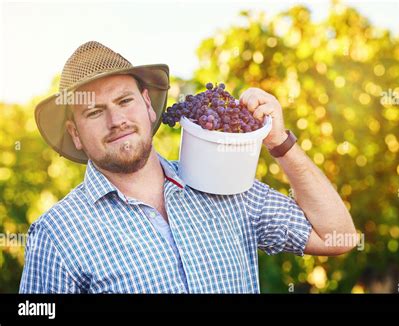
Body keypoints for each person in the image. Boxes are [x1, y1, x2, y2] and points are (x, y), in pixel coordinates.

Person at [20, 41, 357, 293]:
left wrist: (279, 142)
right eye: (94, 112)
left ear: (149, 107)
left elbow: (336, 237)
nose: (117, 120)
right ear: (74, 134)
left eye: (125, 101)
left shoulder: (227, 187)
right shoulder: (57, 235)